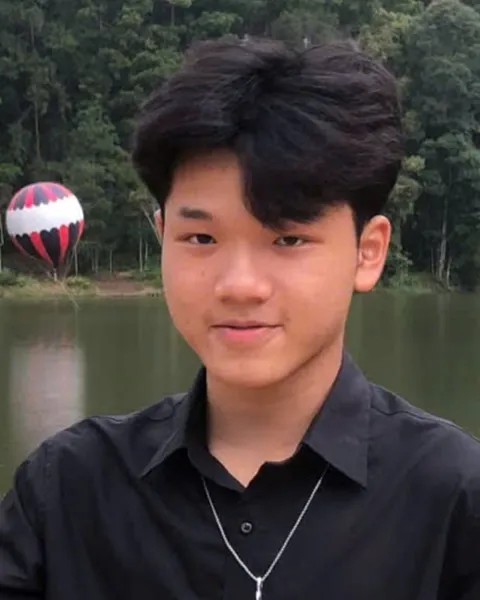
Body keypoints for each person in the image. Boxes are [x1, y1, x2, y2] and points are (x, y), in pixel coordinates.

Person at [1, 36, 479, 600]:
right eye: (201, 238)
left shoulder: (453, 499)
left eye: (288, 239)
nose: (239, 286)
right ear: (163, 237)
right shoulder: (66, 490)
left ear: (367, 252)